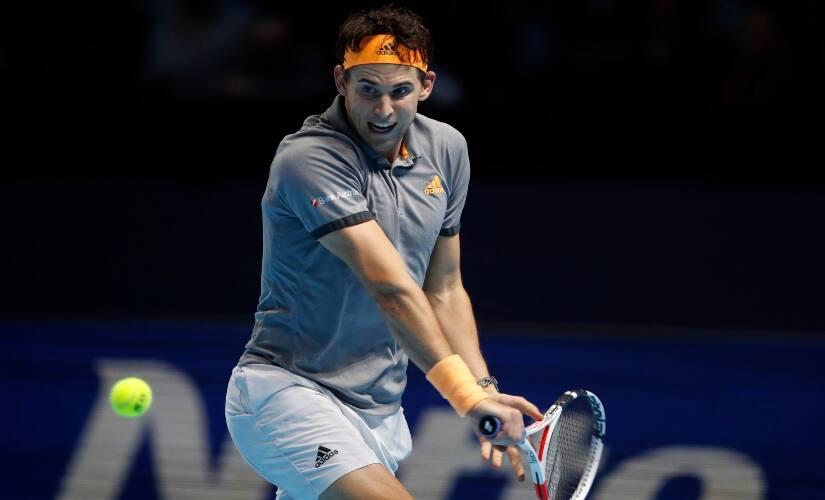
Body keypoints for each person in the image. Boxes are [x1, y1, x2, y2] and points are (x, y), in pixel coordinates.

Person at [225, 5, 542, 499]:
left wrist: (482, 386)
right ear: (341, 80)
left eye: (400, 91)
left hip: (380, 417)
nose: (384, 110)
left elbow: (444, 286)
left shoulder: (447, 149)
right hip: (289, 393)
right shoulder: (308, 157)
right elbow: (391, 287)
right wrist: (464, 399)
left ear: (427, 85)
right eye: (368, 89)